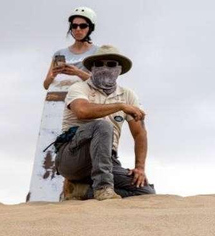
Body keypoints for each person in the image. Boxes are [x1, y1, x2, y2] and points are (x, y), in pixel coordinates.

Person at [55, 45, 155, 200]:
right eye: (99, 64)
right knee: (102, 125)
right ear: (92, 68)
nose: (104, 68)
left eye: (111, 64)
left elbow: (139, 133)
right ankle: (103, 188)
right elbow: (82, 110)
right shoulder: (79, 88)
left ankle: (81, 190)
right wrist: (120, 106)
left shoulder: (128, 95)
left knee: (145, 192)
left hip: (107, 159)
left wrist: (140, 168)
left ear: (119, 69)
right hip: (73, 155)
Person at [43, 7, 99, 90]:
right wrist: (53, 75)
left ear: (90, 28)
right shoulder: (60, 54)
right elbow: (46, 86)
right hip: (59, 99)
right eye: (74, 26)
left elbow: (100, 84)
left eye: (83, 26)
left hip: (84, 99)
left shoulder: (98, 52)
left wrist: (77, 72)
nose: (78, 29)